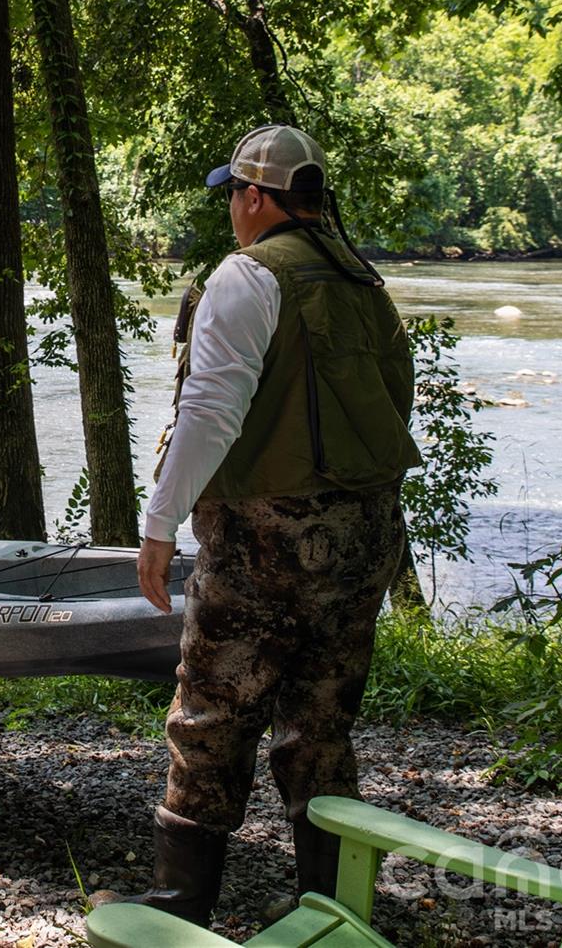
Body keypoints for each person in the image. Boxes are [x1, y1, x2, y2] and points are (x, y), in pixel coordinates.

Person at [121, 124, 422, 924]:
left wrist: (160, 522)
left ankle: (177, 909)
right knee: (322, 724)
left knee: (211, 716)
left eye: (233, 194)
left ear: (257, 196)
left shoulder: (248, 275)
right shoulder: (362, 280)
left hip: (267, 539)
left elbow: (210, 410)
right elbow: (393, 403)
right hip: (364, 536)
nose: (230, 209)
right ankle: (327, 911)